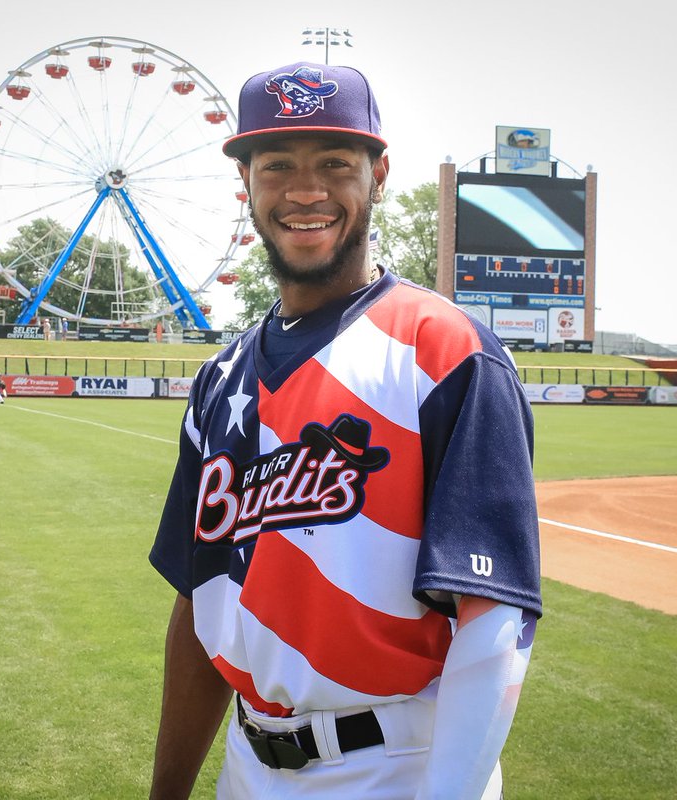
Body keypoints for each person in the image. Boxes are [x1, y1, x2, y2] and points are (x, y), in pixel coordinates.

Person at [148, 62, 541, 800]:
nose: (305, 191)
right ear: (246, 184)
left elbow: (495, 624)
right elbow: (198, 608)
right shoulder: (220, 379)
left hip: (396, 767)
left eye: (334, 163)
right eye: (277, 166)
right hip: (246, 762)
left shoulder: (447, 352)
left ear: (379, 173)